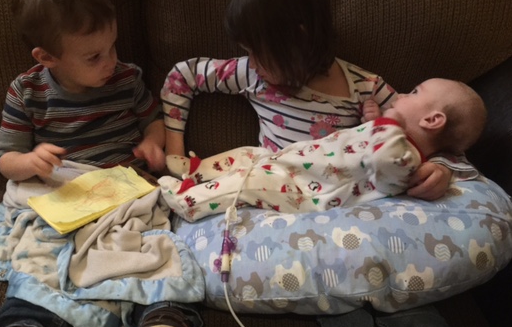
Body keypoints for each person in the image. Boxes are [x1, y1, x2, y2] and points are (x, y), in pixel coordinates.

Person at [161, 0, 511, 327]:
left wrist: (443, 168)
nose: (254, 64)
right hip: (290, 206)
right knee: (339, 302)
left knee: (407, 305)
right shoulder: (248, 73)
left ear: (300, 38)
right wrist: (172, 148)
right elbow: (182, 76)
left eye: (261, 52)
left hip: (359, 210)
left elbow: (436, 130)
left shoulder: (366, 89)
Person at [0, 0, 202, 327]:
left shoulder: (127, 79)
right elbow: (6, 161)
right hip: (65, 196)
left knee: (157, 251)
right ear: (46, 57)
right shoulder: (26, 93)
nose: (111, 63)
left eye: (113, 47)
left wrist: (154, 145)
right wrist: (32, 161)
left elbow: (152, 121)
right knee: (40, 264)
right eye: (94, 56)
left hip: (124, 193)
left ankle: (165, 321)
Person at [159, 78, 486, 222]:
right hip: (292, 161)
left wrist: (389, 122)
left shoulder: (407, 157)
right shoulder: (394, 137)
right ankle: (196, 173)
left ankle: (186, 202)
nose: (402, 93)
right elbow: (365, 144)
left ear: (432, 119)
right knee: (248, 154)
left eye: (415, 91)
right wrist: (375, 121)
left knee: (252, 181)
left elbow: (383, 161)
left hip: (305, 192)